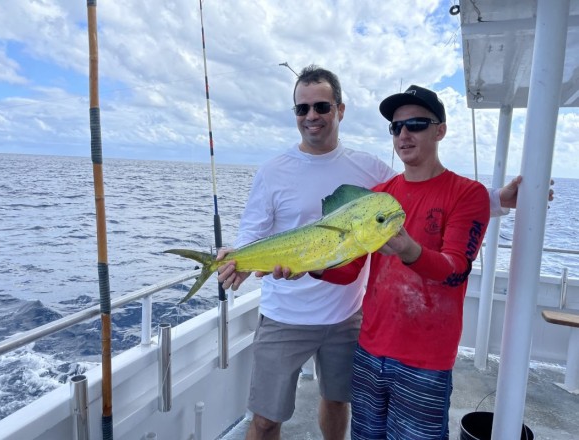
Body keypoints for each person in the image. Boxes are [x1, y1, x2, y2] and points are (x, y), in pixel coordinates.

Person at [217, 67, 518, 440]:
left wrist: (499, 199)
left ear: (339, 110)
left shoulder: (372, 173)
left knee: (338, 404)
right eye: (302, 109)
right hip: (291, 316)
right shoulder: (279, 171)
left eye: (322, 106)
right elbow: (254, 231)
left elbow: (436, 197)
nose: (312, 116)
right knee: (265, 420)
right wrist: (249, 259)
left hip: (348, 319)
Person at [315, 85, 490, 439]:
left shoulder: (468, 194)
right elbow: (349, 270)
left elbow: (455, 271)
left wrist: (409, 250)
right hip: (368, 350)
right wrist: (308, 266)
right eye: (396, 127)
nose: (404, 134)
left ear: (440, 130)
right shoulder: (379, 196)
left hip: (425, 363)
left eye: (416, 124)